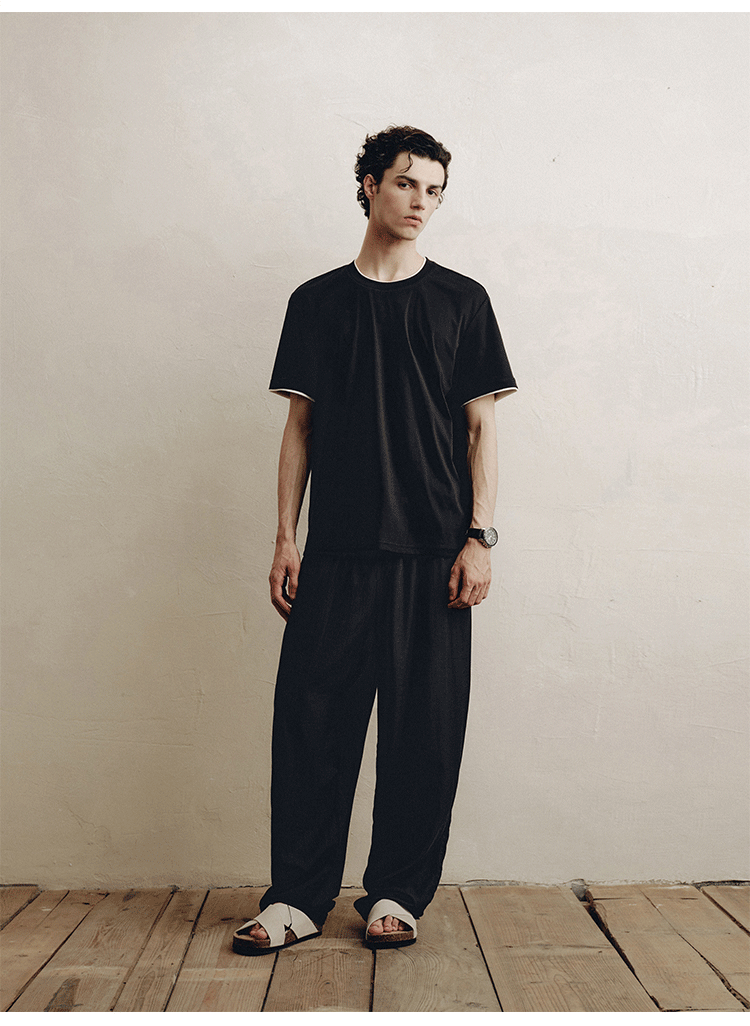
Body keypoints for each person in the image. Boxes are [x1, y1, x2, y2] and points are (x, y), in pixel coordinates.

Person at [233, 125, 517, 955]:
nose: (421, 201)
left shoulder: (463, 301)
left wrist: (480, 538)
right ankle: (296, 898)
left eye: (434, 190)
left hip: (435, 557)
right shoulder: (317, 302)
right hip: (337, 554)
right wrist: (285, 538)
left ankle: (397, 892)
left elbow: (481, 430)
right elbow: (300, 428)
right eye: (406, 183)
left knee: (424, 736)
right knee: (311, 727)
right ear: (368, 184)